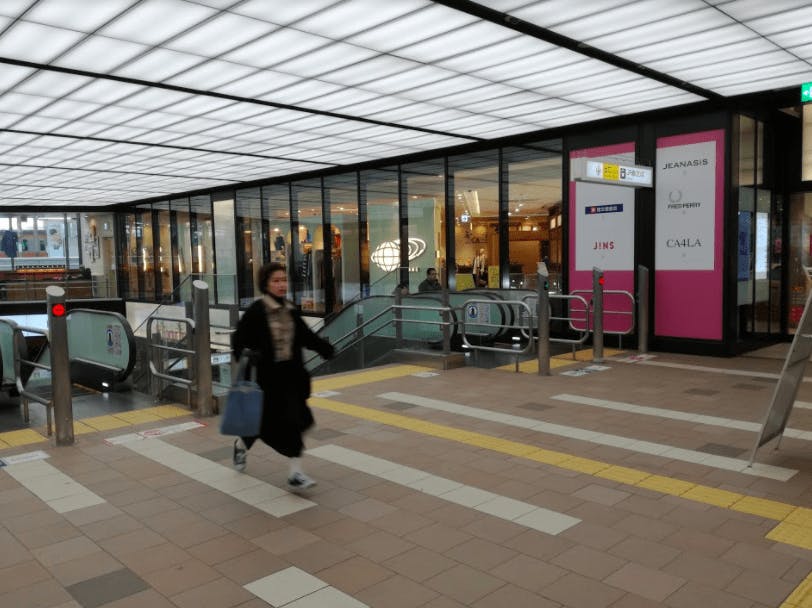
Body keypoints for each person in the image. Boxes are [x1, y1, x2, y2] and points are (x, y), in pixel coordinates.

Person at [231, 262, 334, 491]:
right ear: (266, 284)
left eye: (284, 280)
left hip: (291, 378)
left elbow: (306, 336)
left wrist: (325, 349)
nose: (281, 285)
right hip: (266, 381)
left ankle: (295, 473)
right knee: (261, 425)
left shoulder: (290, 309)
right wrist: (248, 353)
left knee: (299, 422)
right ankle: (241, 445)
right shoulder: (257, 311)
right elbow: (238, 340)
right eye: (276, 280)